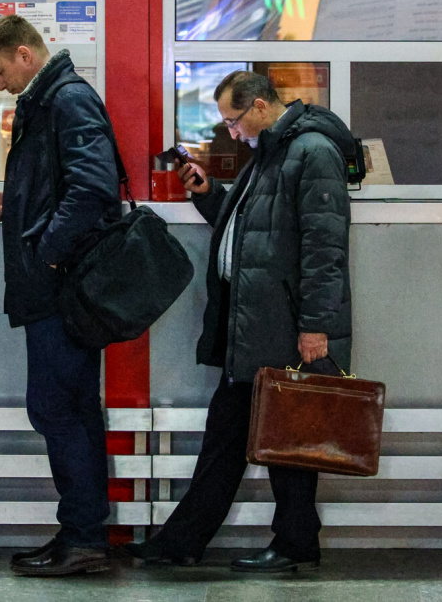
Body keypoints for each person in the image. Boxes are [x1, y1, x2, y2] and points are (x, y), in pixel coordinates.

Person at [125, 70, 353, 573]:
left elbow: (325, 249)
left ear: (259, 107)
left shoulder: (312, 153)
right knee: (226, 440)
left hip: (284, 326)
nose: (230, 131)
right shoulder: (272, 153)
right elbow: (251, 229)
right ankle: (184, 540)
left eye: (232, 120)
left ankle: (294, 543)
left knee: (288, 442)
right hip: (253, 325)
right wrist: (209, 193)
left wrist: (316, 325)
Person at [0, 15, 121, 577]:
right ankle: (81, 533)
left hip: (62, 287)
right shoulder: (49, 101)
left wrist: (48, 253)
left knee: (57, 408)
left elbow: (92, 189)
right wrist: (12, 202)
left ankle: (83, 536)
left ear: (24, 55)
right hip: (55, 285)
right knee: (71, 409)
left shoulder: (67, 100)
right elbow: (60, 186)